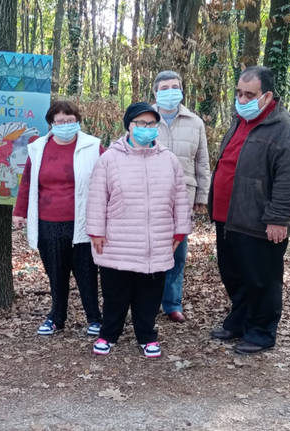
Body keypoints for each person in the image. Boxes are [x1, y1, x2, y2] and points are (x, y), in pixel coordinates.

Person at [208, 66, 290, 354]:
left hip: (259, 219)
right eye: (239, 93)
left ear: (266, 96)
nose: (242, 99)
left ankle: (262, 331)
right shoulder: (240, 120)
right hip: (228, 216)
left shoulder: (286, 129)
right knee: (233, 273)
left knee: (262, 278)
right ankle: (239, 320)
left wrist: (278, 218)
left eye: (249, 94)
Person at [86, 102, 191, 358]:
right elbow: (97, 197)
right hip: (117, 239)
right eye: (141, 123)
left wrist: (180, 231)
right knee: (115, 294)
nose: (146, 128)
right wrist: (95, 231)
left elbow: (180, 196)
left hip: (157, 240)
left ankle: (146, 336)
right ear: (129, 126)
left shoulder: (168, 159)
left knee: (150, 294)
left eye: (151, 124)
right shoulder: (109, 158)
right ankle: (109, 334)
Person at [12, 100, 103, 337]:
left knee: (87, 272)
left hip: (83, 221)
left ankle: (94, 318)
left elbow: (107, 180)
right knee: (56, 272)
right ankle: (57, 316)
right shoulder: (38, 147)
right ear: (51, 124)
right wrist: (19, 212)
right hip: (48, 222)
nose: (65, 125)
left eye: (70, 121)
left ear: (78, 121)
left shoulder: (93, 146)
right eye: (60, 121)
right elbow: (27, 182)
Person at [152, 70, 211, 323]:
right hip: (149, 196)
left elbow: (203, 162)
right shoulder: (145, 119)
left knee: (177, 253)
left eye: (174, 86)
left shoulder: (195, 122)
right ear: (155, 92)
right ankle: (148, 300)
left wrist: (202, 196)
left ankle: (172, 303)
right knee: (150, 250)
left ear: (182, 89)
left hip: (183, 197)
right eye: (164, 88)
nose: (169, 92)